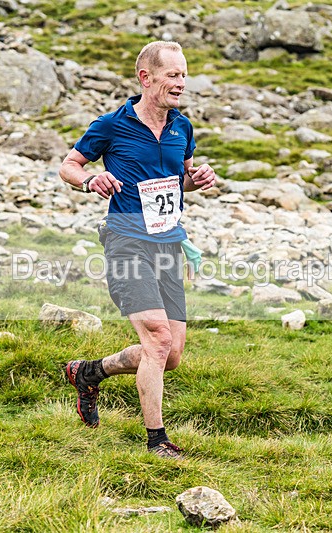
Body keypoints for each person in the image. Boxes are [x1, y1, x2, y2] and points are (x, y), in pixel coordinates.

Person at [58, 41, 216, 459]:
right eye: (173, 75)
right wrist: (91, 181)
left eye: (184, 75)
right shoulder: (111, 125)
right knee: (159, 340)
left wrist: (194, 180)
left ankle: (90, 372)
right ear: (146, 78)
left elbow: (176, 180)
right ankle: (157, 440)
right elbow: (69, 165)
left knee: (170, 355)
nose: (181, 83)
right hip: (126, 241)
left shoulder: (183, 127)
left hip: (169, 246)